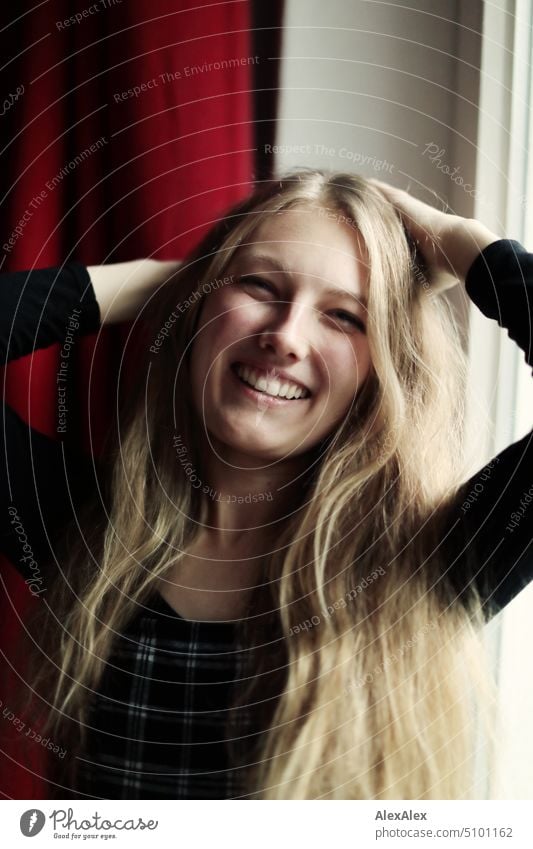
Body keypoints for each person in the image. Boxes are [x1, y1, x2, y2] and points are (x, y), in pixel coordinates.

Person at [1, 170, 532, 800]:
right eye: (257, 284)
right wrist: (174, 281)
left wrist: (463, 242)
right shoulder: (87, 526)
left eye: (344, 316)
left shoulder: (428, 558)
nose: (284, 336)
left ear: (382, 367)